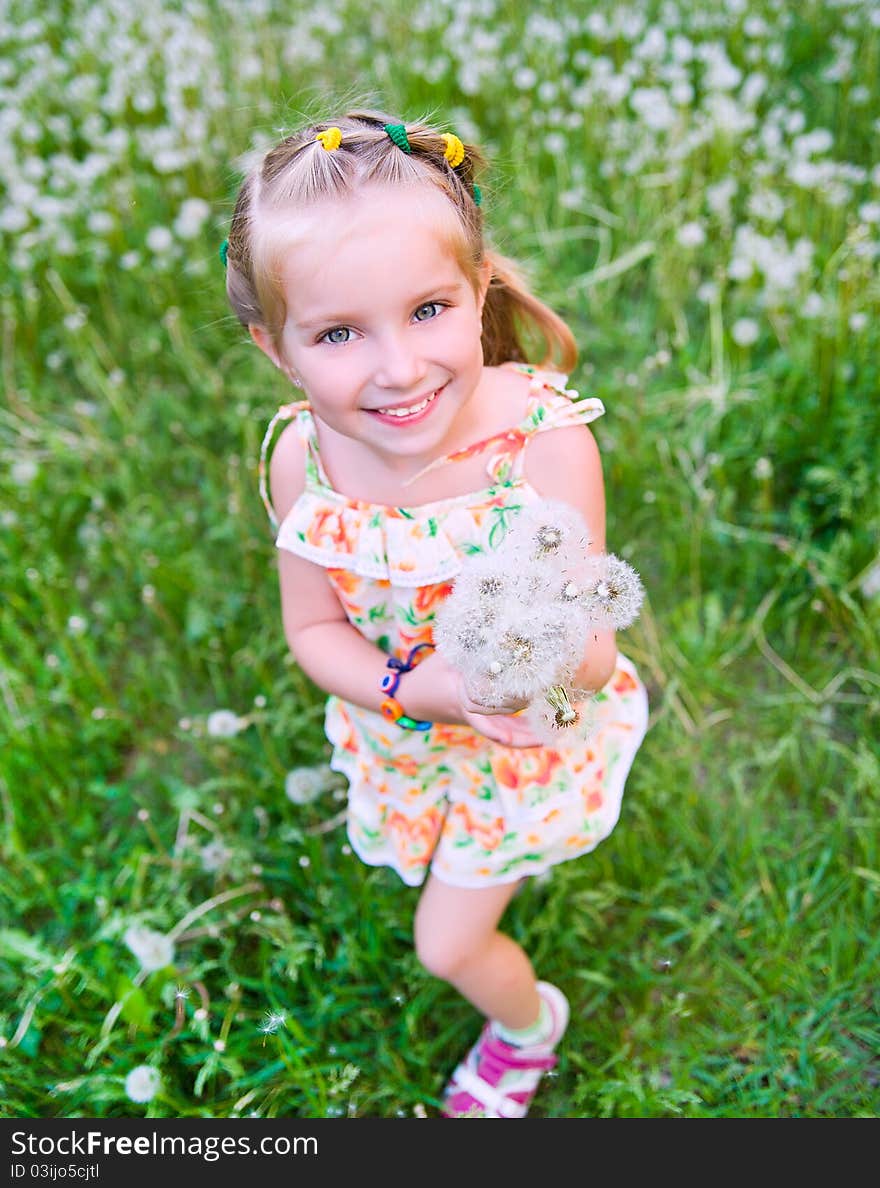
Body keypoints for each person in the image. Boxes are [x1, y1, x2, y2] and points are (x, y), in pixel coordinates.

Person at [222, 108, 649, 1119]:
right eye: (337, 333)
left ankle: (525, 1028)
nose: (400, 369)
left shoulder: (541, 443)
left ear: (479, 288)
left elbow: (589, 649)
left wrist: (504, 680)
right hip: (408, 725)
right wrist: (421, 692)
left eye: (426, 311)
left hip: (518, 746)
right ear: (275, 348)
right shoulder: (304, 461)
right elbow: (314, 632)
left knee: (443, 942)